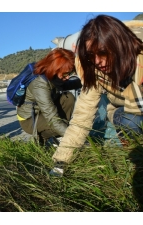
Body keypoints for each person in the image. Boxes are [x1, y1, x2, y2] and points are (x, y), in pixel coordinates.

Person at [51, 15, 143, 177]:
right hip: (127, 114)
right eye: (90, 56)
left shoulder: (140, 56)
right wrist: (61, 161)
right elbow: (81, 119)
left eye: (102, 52)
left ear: (119, 43)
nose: (98, 61)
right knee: (133, 121)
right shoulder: (95, 73)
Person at [16, 48, 82, 146]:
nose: (68, 77)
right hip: (29, 119)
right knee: (59, 124)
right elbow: (52, 118)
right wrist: (73, 138)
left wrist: (86, 80)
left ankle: (61, 132)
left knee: (68, 97)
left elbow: (68, 85)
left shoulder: (54, 77)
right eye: (65, 74)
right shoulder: (39, 84)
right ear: (55, 69)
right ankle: (43, 138)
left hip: (43, 112)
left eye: (70, 73)